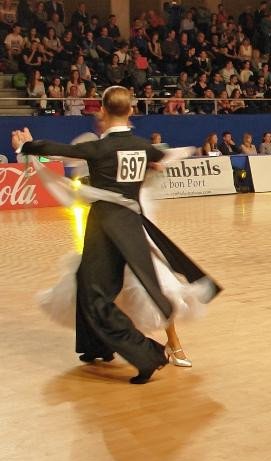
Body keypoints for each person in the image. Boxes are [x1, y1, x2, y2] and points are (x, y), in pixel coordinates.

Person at [13, 86, 220, 383]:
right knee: (91, 286)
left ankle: (148, 355)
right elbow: (160, 158)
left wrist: (27, 146)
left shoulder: (99, 148)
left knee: (95, 297)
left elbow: (60, 150)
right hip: (133, 224)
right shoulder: (142, 145)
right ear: (131, 111)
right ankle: (95, 347)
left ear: (103, 111)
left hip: (105, 227)